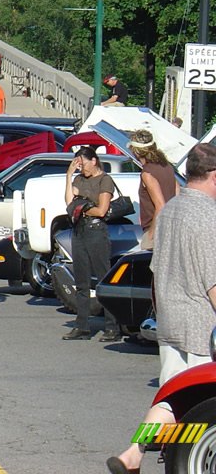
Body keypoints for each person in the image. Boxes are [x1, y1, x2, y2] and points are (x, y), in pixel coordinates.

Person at [107, 143, 216, 474]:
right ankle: (189, 458)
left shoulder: (169, 210)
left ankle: (134, 454)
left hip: (169, 319)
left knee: (172, 399)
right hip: (202, 326)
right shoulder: (209, 217)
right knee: (203, 408)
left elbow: (156, 265)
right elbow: (213, 282)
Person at [62, 146, 120, 341]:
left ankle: (112, 326)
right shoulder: (78, 179)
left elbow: (102, 210)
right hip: (80, 231)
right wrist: (69, 175)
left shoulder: (104, 180)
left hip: (96, 232)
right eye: (77, 164)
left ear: (93, 160)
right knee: (81, 281)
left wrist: (83, 210)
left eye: (82, 163)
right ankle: (82, 325)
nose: (81, 168)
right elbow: (70, 203)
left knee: (104, 279)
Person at [129, 129, 179, 250]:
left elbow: (160, 205)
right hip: (171, 230)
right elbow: (178, 195)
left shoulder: (147, 173)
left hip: (157, 232)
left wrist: (151, 234)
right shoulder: (167, 166)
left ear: (135, 151)